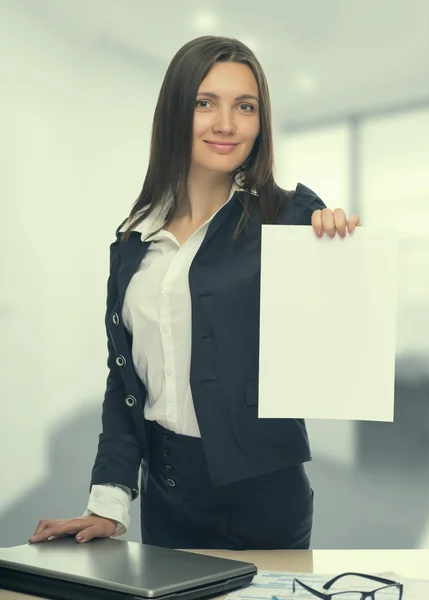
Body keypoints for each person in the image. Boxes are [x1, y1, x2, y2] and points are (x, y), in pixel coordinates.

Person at [29, 35, 360, 550]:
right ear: (175, 112)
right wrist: (108, 503)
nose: (226, 123)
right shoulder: (132, 242)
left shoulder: (287, 218)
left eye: (244, 106)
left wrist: (334, 248)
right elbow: (125, 385)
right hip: (167, 498)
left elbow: (338, 334)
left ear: (260, 122)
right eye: (205, 102)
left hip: (265, 502)